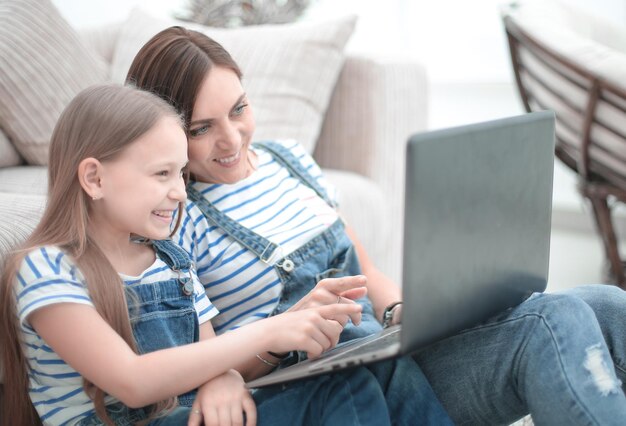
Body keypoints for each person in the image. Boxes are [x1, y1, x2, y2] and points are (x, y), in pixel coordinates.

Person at [126, 26, 626, 425]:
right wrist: (260, 351)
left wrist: (402, 313)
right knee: (550, 321)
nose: (232, 139)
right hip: (320, 383)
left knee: (608, 305)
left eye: (239, 109)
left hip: (383, 345)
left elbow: (364, 267)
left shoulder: (289, 160)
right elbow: (192, 358)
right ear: (162, 131)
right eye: (201, 129)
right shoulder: (174, 214)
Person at [0, 84, 445, 426]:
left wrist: (225, 376)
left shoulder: (171, 260)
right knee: (338, 392)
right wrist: (270, 331)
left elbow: (209, 354)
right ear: (94, 178)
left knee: (364, 361)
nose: (178, 192)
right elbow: (133, 383)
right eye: (160, 174)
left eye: (180, 172)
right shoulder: (46, 268)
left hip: (191, 414)